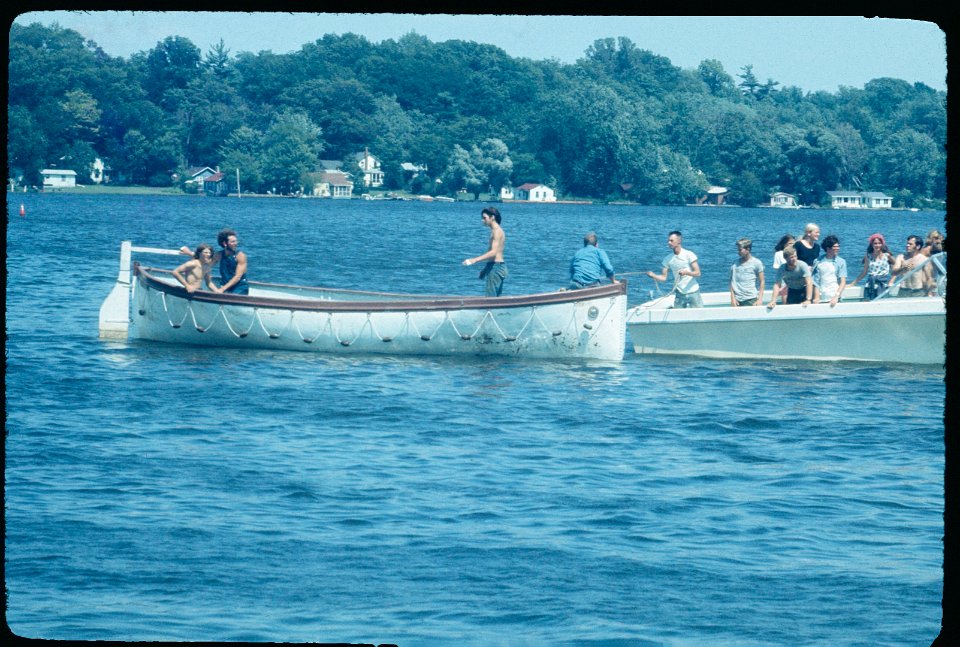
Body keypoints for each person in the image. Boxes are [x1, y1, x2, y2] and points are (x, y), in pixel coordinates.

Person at [181, 228, 249, 295]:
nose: (236, 243)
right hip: (226, 285)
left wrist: (222, 289)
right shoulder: (219, 255)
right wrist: (189, 253)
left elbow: (237, 277)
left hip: (239, 287)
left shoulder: (240, 256)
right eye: (233, 242)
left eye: (236, 241)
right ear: (225, 243)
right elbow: (205, 262)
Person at [645, 230, 702, 308]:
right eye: (668, 240)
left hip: (693, 292)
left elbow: (698, 273)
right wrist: (653, 275)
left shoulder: (689, 254)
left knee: (698, 315)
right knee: (678, 316)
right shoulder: (667, 259)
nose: (669, 243)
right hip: (679, 293)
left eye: (671, 241)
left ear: (679, 241)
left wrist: (686, 272)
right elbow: (663, 278)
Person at [463, 207, 507, 296]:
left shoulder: (497, 232)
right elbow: (493, 253)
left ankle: (489, 309)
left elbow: (494, 252)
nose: (482, 220)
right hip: (497, 266)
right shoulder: (496, 231)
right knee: (495, 299)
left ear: (492, 217)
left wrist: (474, 260)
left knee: (490, 299)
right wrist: (486, 269)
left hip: (496, 268)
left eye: (484, 218)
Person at [850, 233, 894, 300]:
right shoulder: (868, 256)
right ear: (872, 244)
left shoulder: (887, 256)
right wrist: (852, 284)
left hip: (882, 284)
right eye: (875, 243)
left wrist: (891, 281)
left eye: (879, 243)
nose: (877, 245)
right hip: (870, 284)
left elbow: (897, 268)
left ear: (882, 244)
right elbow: (864, 272)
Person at [812, 234, 847, 307]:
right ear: (828, 248)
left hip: (835, 298)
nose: (837, 248)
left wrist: (836, 297)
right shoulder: (817, 261)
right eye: (835, 247)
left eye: (838, 246)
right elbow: (815, 282)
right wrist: (816, 297)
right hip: (821, 298)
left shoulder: (841, 262)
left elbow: (843, 282)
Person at [729, 238, 765, 306]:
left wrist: (760, 299)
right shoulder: (734, 264)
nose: (738, 252)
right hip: (737, 300)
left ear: (748, 249)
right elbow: (731, 282)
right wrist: (732, 298)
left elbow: (762, 281)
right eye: (738, 250)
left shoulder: (757, 263)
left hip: (751, 299)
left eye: (740, 250)